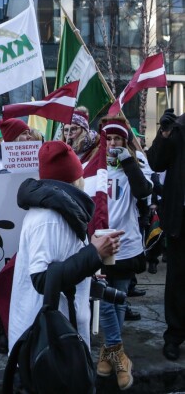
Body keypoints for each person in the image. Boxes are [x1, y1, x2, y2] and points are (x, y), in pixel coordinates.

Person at [8, 141, 120, 366]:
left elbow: (61, 262)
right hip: (49, 342)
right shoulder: (50, 219)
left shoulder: (60, 211)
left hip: (58, 335)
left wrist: (87, 273)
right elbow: (42, 279)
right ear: (74, 178)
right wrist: (93, 254)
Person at [89, 118, 151, 390]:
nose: (113, 144)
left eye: (118, 139)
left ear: (126, 142)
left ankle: (108, 352)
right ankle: (119, 356)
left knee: (120, 299)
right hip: (101, 243)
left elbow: (144, 191)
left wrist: (128, 161)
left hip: (126, 246)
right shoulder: (95, 168)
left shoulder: (135, 167)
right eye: (109, 139)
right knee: (104, 301)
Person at [147, 108, 185, 361]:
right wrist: (164, 132)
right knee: (178, 280)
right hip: (181, 219)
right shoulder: (178, 128)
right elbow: (156, 162)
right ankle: (174, 336)